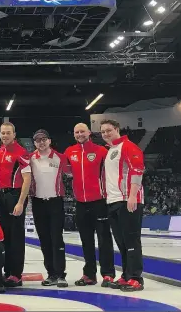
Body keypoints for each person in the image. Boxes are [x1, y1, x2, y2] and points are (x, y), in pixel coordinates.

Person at [64, 123, 116, 287]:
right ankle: (89, 274)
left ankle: (108, 274)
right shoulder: (69, 152)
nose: (80, 134)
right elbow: (65, 170)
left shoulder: (101, 151)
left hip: (99, 202)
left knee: (104, 239)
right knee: (86, 241)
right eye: (76, 132)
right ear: (74, 134)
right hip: (80, 203)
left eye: (82, 131)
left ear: (89, 133)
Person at [100, 119, 145, 292]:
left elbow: (137, 170)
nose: (105, 134)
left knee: (131, 240)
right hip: (113, 201)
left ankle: (136, 277)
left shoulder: (128, 146)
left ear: (117, 129)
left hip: (127, 200)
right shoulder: (110, 150)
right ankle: (126, 275)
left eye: (108, 130)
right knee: (122, 241)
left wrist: (133, 196)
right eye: (103, 132)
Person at [29, 129, 69, 287]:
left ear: (49, 141)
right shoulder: (31, 158)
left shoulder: (60, 157)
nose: (41, 142)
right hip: (38, 202)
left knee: (57, 238)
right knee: (44, 239)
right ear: (34, 143)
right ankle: (51, 273)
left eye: (44, 139)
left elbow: (74, 173)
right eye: (38, 140)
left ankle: (61, 274)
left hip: (55, 202)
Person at [0, 122, 31, 287]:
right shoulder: (0, 151)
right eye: (2, 133)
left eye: (8, 133)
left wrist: (21, 202)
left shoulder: (21, 152)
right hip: (2, 195)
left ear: (14, 134)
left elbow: (27, 179)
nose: (5, 136)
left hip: (15, 195)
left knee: (16, 237)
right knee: (6, 236)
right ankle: (8, 271)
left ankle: (16, 274)